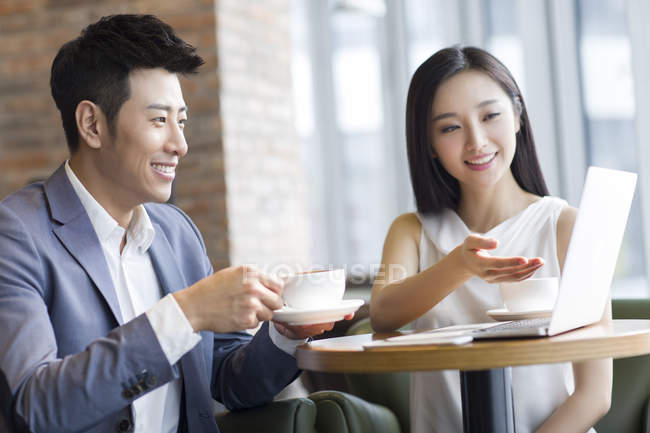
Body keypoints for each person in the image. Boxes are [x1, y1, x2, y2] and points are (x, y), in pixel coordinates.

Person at [0, 14, 349, 433]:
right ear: (92, 124)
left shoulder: (176, 232)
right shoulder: (18, 234)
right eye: (159, 120)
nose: (179, 145)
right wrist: (186, 313)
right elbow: (35, 406)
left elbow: (227, 380)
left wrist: (288, 332)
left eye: (180, 121)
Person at [370, 46, 611, 433]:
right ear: (429, 144)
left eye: (490, 116)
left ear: (517, 115)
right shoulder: (411, 231)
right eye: (450, 127)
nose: (476, 141)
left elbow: (595, 395)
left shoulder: (567, 226)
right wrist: (459, 265)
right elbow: (383, 313)